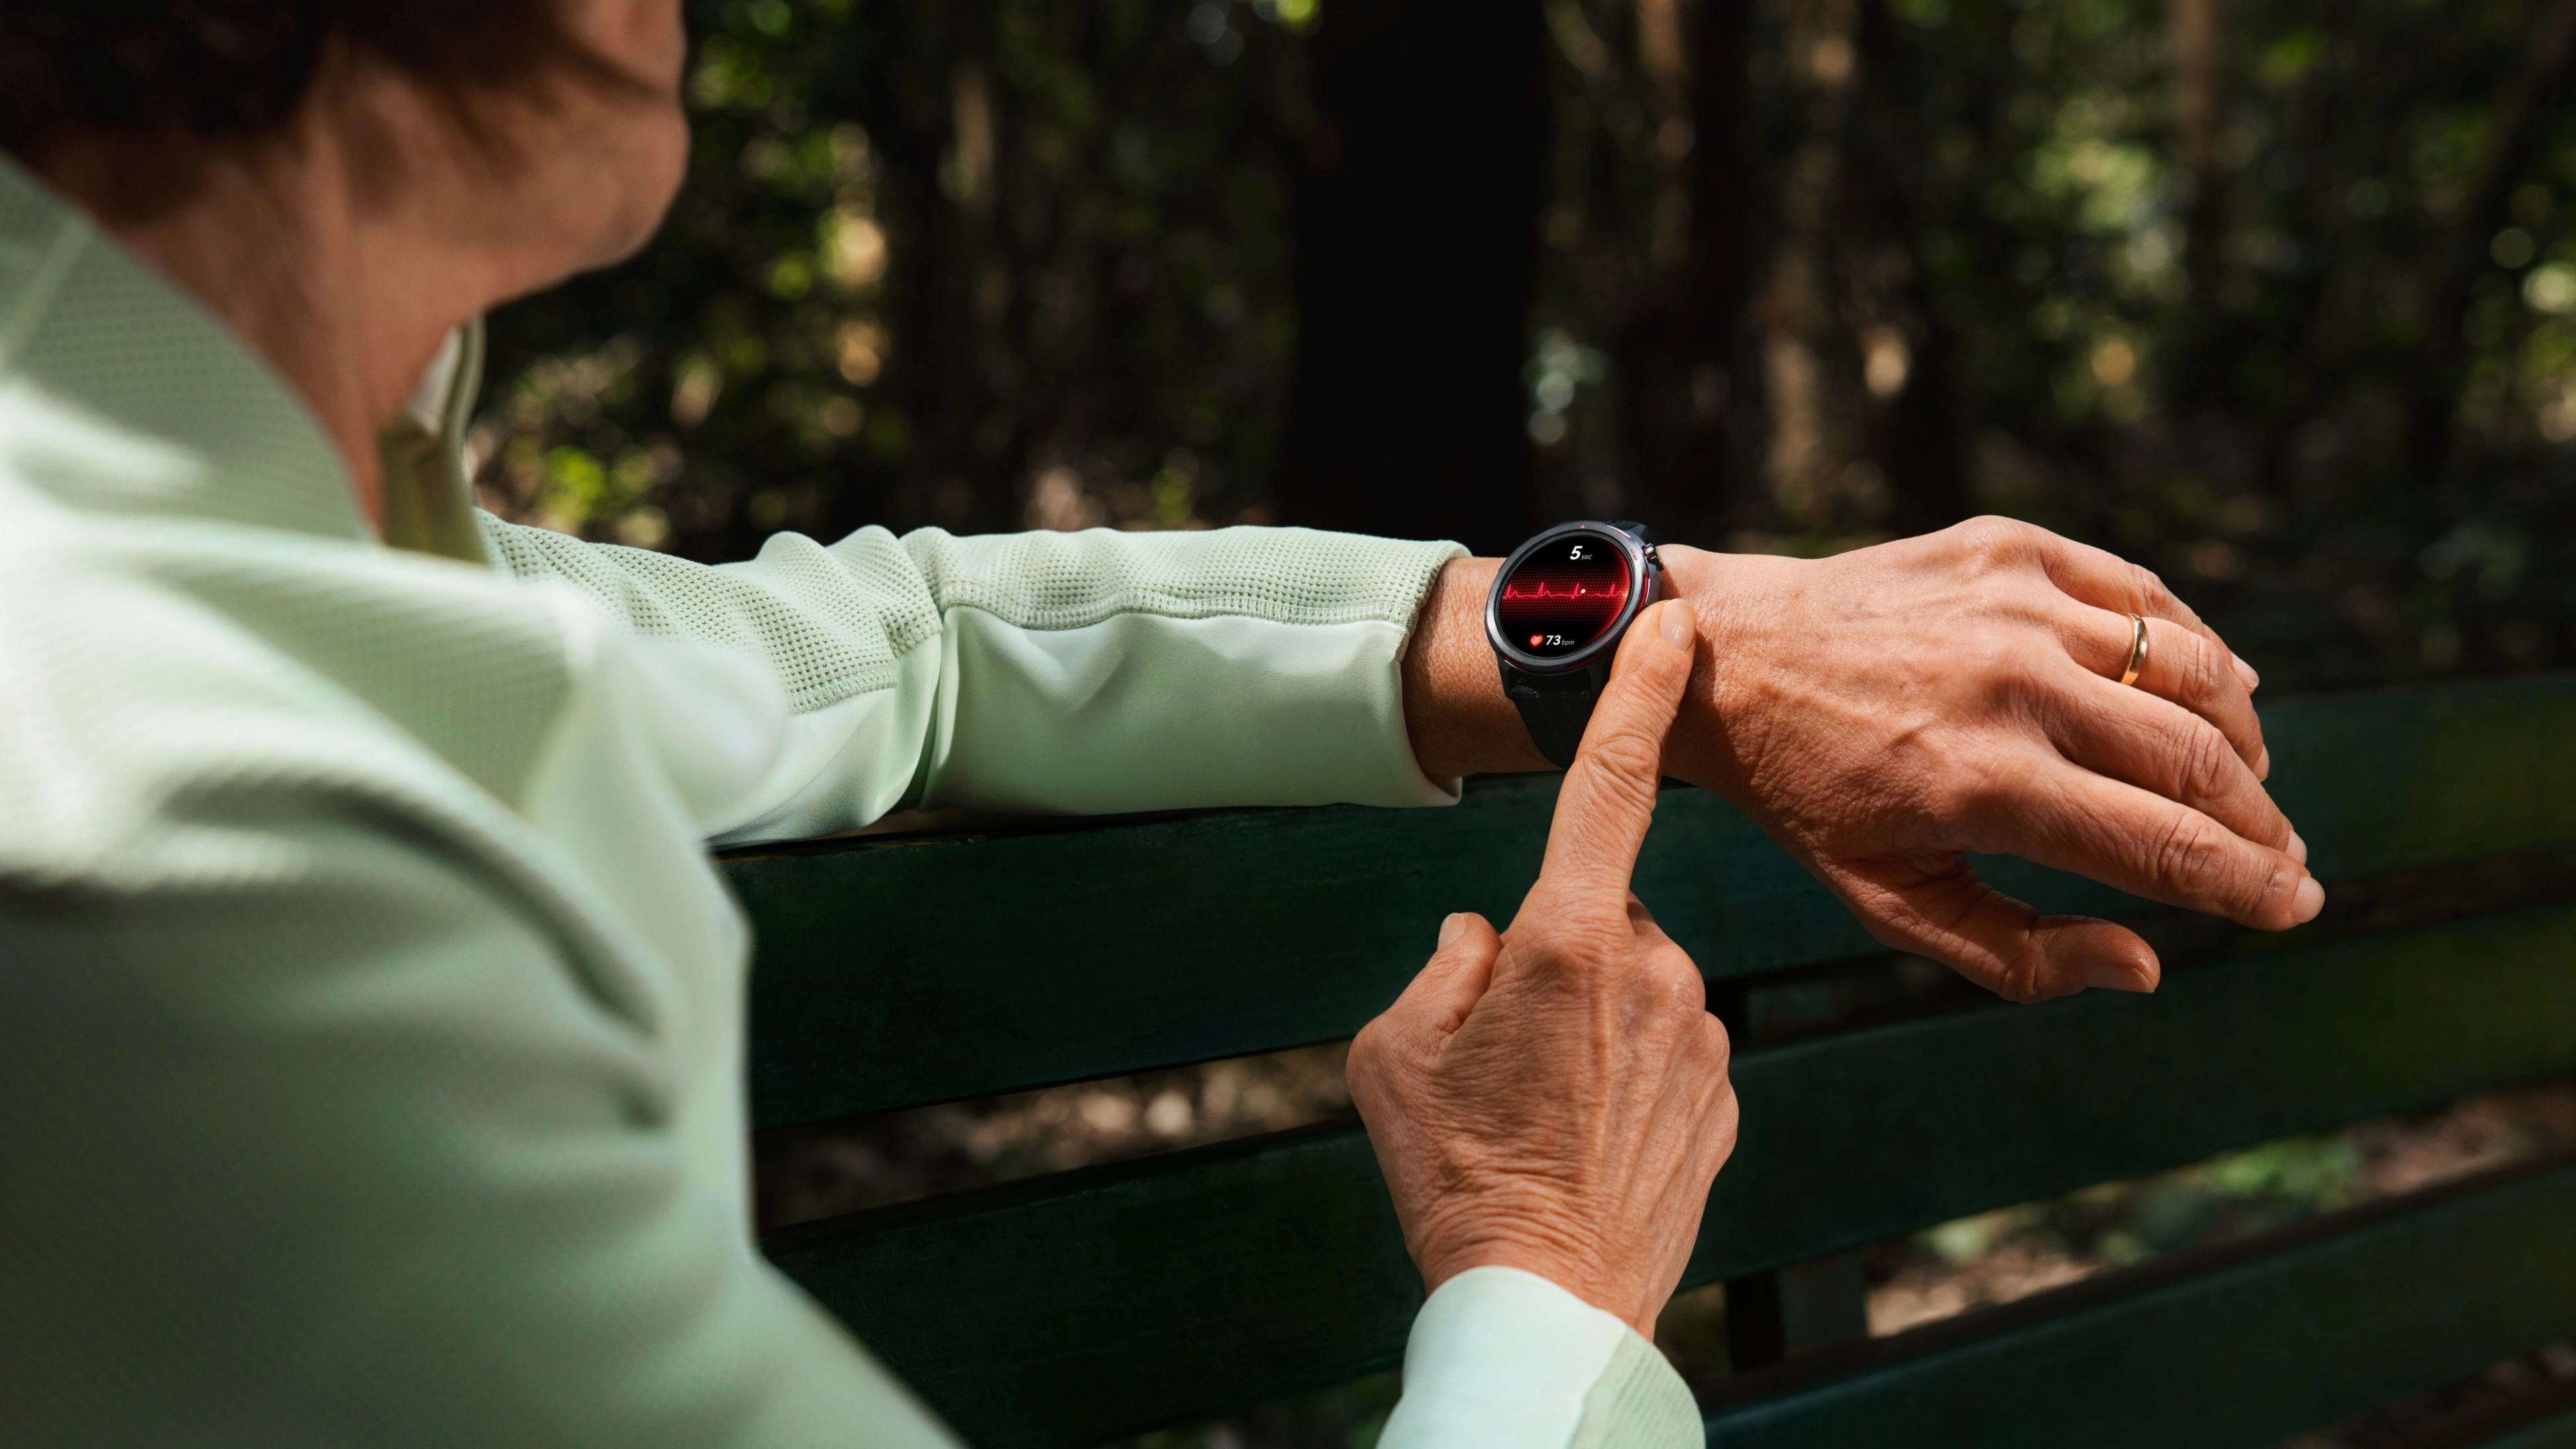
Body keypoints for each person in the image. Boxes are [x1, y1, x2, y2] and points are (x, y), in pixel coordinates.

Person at [0, 3, 2319, 1446]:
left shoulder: (293, 547)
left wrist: (1660, 631)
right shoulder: (188, 877)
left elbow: (899, 654)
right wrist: (1550, 1287)